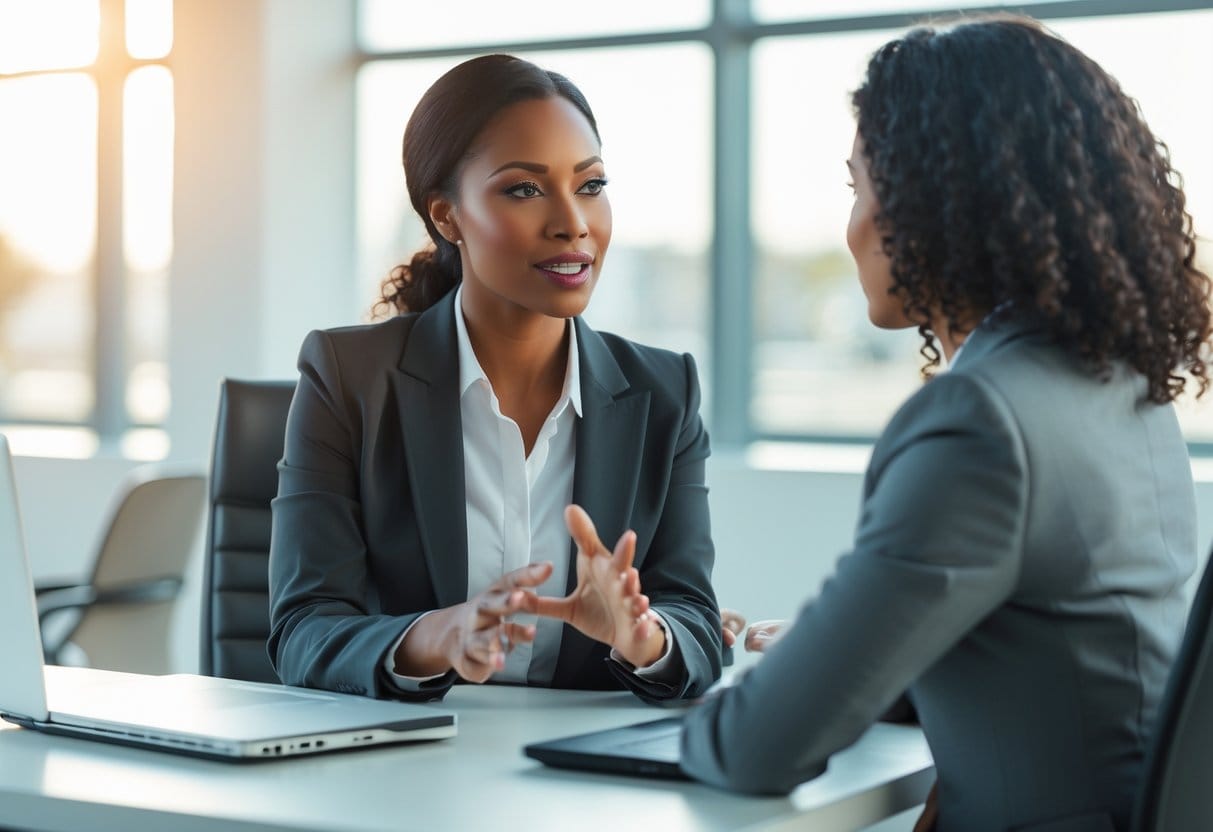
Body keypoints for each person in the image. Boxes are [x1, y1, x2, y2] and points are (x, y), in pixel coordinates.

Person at [680, 15, 1210, 832]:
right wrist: (844, 657)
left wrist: (775, 686)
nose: (849, 224)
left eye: (857, 187)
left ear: (928, 203)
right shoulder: (1119, 385)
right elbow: (1052, 643)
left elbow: (753, 750)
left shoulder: (982, 420)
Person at [268, 54, 721, 704]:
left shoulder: (662, 393)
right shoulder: (349, 378)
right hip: (400, 773)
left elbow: (697, 623)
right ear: (446, 217)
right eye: (524, 189)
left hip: (585, 780)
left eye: (590, 185)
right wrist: (439, 636)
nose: (572, 222)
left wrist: (642, 634)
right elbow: (303, 630)